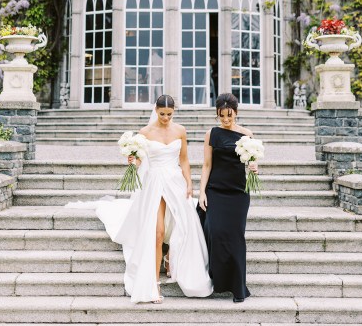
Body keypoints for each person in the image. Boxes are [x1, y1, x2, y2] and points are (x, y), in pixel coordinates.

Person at [96, 94, 213, 304]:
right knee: (157, 232)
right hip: (154, 183)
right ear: (155, 110)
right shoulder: (145, 133)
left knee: (181, 227)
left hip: (175, 182)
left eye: (169, 114)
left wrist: (189, 182)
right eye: (162, 114)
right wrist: (132, 161)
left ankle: (171, 260)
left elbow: (184, 159)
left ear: (174, 111)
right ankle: (153, 283)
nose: (166, 118)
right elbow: (140, 161)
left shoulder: (180, 131)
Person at [197, 92, 258, 303]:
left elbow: (252, 163)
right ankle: (218, 279)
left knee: (235, 237)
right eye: (221, 116)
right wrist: (201, 191)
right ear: (217, 114)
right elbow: (207, 165)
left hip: (238, 193)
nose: (225, 120)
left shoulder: (246, 134)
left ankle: (238, 287)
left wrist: (253, 167)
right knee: (214, 231)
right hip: (215, 190)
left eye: (229, 116)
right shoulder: (211, 134)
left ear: (236, 113)